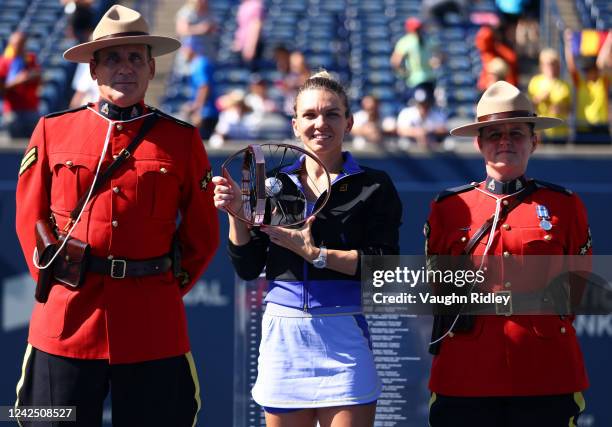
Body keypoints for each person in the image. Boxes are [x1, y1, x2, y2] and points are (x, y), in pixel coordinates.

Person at [14, 5, 219, 426]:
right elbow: (28, 220)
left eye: (134, 57)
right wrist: (61, 282)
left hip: (151, 324)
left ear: (150, 66)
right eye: (112, 57)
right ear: (93, 69)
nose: (124, 67)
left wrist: (159, 286)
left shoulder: (180, 140)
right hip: (67, 321)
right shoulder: (54, 130)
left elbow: (201, 237)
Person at [212, 71, 403, 426]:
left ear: (349, 122)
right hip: (283, 338)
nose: (321, 123)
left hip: (343, 335)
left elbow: (383, 267)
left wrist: (315, 254)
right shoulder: (272, 184)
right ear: (295, 124)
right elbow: (248, 267)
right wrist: (236, 215)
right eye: (310, 115)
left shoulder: (375, 185)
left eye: (332, 114)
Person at [425, 81, 591, 426]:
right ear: (479, 143)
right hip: (465, 373)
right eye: (493, 133)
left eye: (516, 133)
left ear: (534, 140)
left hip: (544, 372)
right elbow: (437, 290)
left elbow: (576, 291)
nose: (505, 141)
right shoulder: (448, 207)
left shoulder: (565, 206)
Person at [563, 29, 612, 144]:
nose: (585, 72)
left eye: (589, 69)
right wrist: (568, 43)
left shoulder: (603, 81)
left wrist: (609, 41)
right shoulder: (580, 83)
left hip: (601, 126)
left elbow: (602, 63)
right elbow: (571, 65)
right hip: (582, 127)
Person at [0, 31, 41, 138]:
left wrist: (29, 76)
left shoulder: (30, 59)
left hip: (31, 109)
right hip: (13, 111)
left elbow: (38, 76)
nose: (19, 46)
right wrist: (17, 81)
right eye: (16, 44)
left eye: (22, 43)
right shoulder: (4, 62)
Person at [527, 48, 571, 144]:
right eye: (547, 64)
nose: (550, 66)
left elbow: (570, 108)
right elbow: (529, 107)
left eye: (553, 63)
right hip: (540, 133)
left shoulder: (564, 85)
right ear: (541, 65)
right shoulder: (535, 82)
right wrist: (538, 99)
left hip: (560, 132)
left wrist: (561, 108)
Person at [390, 17, 438, 100]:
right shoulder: (406, 41)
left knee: (429, 105)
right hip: (415, 80)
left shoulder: (427, 40)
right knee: (419, 104)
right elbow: (395, 61)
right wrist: (404, 73)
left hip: (429, 78)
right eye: (416, 29)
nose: (419, 31)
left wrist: (436, 61)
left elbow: (440, 55)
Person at [181, 38, 219, 140]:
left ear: (191, 48)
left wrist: (198, 110)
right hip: (206, 112)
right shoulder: (197, 63)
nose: (183, 52)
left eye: (185, 49)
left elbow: (204, 87)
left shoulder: (200, 64)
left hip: (206, 113)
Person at [474, 26, 518, 92]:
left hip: (503, 91)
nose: (480, 44)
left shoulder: (506, 54)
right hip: (487, 90)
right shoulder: (485, 54)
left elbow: (512, 79)